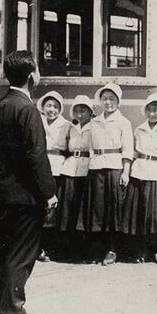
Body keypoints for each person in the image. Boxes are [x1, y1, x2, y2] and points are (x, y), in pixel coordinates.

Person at [0, 51, 57, 314]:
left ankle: (3, 311)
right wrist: (49, 192)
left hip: (4, 192)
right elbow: (37, 155)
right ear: (31, 76)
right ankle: (15, 312)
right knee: (22, 254)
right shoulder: (27, 109)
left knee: (5, 253)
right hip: (26, 196)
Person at [81, 82, 133, 266]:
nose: (108, 102)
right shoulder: (94, 122)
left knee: (113, 210)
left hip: (115, 167)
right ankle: (97, 249)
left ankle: (112, 249)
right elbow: (90, 147)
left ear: (118, 101)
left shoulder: (123, 122)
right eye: (105, 99)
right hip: (96, 168)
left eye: (112, 99)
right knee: (97, 209)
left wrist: (125, 172)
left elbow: (127, 150)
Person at [121, 93, 157, 264]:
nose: (153, 114)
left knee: (156, 213)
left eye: (156, 110)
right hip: (140, 172)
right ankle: (141, 250)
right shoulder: (139, 129)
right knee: (140, 212)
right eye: (150, 110)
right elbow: (134, 152)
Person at [55, 94, 93, 262]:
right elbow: (63, 147)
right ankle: (66, 249)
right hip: (70, 169)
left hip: (86, 168)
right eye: (76, 110)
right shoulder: (70, 127)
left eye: (83, 110)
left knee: (82, 211)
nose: (79, 114)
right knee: (68, 210)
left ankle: (83, 249)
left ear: (90, 112)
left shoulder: (94, 127)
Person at [37, 90, 69, 262]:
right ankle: (38, 247)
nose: (52, 110)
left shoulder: (67, 125)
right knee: (40, 208)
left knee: (54, 209)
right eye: (49, 105)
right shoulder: (36, 121)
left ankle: (50, 246)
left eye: (56, 106)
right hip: (40, 167)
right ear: (43, 107)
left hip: (58, 168)